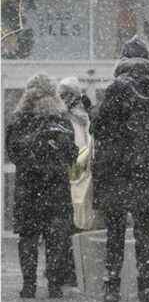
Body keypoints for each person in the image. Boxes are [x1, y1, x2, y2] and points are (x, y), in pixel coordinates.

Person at [91, 36, 149, 302]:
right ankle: (145, 288)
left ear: (123, 61)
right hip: (147, 172)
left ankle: (112, 288)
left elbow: (100, 129)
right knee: (143, 232)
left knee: (115, 233)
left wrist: (94, 115)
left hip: (116, 172)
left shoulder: (116, 89)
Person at [5, 73, 78, 299]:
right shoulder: (61, 120)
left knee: (28, 237)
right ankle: (54, 285)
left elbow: (14, 153)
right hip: (56, 189)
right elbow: (71, 155)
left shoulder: (18, 120)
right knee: (56, 238)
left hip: (28, 188)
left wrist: (33, 165)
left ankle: (29, 285)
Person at [58, 76, 96, 287]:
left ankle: (72, 269)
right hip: (72, 176)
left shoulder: (82, 117)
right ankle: (68, 269)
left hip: (80, 175)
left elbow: (86, 145)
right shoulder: (64, 118)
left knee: (78, 222)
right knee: (71, 223)